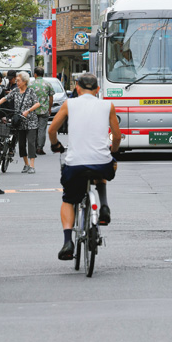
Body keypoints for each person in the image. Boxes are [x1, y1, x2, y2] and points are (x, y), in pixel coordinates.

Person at [48, 72, 122, 261]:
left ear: (77, 89)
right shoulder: (108, 105)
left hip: (75, 165)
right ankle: (103, 206)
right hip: (101, 164)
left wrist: (55, 144)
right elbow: (117, 135)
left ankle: (67, 242)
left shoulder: (69, 104)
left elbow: (52, 129)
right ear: (98, 89)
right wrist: (112, 152)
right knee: (103, 168)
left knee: (68, 199)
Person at [0, 71, 40, 174]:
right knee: (21, 144)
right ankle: (26, 164)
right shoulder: (15, 91)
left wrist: (28, 111)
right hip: (20, 121)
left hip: (31, 121)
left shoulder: (31, 91)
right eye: (17, 80)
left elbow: (37, 104)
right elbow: (5, 98)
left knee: (31, 143)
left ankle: (32, 165)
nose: (17, 82)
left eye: (18, 80)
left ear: (24, 81)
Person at [32, 66, 54, 155]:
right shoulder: (48, 84)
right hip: (44, 110)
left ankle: (33, 147)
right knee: (42, 129)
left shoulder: (30, 84)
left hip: (33, 110)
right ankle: (39, 148)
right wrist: (49, 108)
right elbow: (51, 98)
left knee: (33, 128)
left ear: (35, 74)